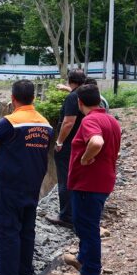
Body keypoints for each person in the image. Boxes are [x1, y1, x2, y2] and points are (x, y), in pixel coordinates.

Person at [0, 79, 54, 275]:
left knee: (6, 231)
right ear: (33, 98)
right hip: (33, 186)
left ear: (13, 99)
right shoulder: (45, 124)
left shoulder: (10, 122)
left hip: (10, 186)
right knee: (26, 231)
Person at [57, 82, 122, 275]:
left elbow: (96, 142)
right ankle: (82, 259)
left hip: (89, 184)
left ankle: (90, 274)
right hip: (101, 181)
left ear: (79, 102)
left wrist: (85, 159)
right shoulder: (110, 120)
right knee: (84, 223)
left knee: (88, 227)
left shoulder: (90, 121)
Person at [48, 69, 88, 228]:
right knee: (78, 179)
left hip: (69, 145)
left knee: (65, 180)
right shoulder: (87, 94)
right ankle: (78, 212)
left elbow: (68, 122)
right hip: (82, 144)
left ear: (70, 81)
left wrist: (59, 142)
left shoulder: (73, 97)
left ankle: (66, 216)